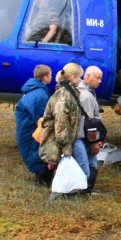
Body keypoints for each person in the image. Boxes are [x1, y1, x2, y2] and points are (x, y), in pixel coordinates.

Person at [38, 63, 85, 201]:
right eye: (79, 77)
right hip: (62, 140)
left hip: (66, 139)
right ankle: (58, 197)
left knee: (62, 169)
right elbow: (61, 124)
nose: (81, 81)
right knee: (65, 170)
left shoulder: (68, 93)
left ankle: (64, 195)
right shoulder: (64, 96)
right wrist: (66, 147)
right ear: (73, 77)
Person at [14, 64, 53, 186]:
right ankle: (42, 182)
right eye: (50, 75)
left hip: (25, 127)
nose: (51, 77)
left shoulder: (32, 90)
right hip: (31, 129)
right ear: (45, 77)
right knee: (36, 152)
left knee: (33, 152)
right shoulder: (40, 95)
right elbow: (41, 117)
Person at [74, 65, 104, 194]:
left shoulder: (83, 91)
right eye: (98, 78)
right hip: (85, 138)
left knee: (90, 164)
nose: (100, 81)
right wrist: (94, 143)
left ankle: (86, 190)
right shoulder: (86, 96)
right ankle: (84, 191)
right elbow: (88, 123)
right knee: (89, 165)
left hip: (82, 137)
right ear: (87, 76)